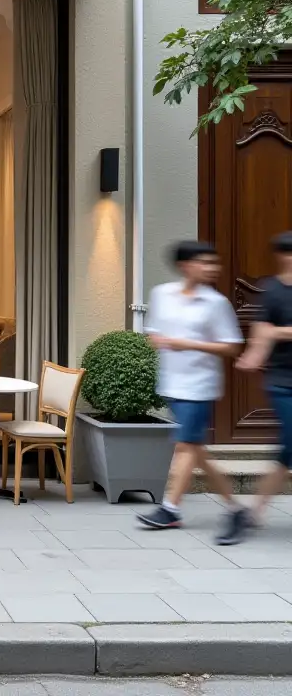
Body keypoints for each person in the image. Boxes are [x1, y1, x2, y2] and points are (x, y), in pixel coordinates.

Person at [136, 241, 247, 541]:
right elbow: (153, 333)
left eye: (214, 263)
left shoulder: (216, 303)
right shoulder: (162, 295)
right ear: (185, 265)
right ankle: (236, 508)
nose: (212, 268)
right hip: (171, 383)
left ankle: (170, 509)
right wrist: (159, 340)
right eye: (204, 262)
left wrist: (189, 344)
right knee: (196, 451)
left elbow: (231, 346)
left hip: (200, 386)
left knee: (186, 446)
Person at [233, 231, 292, 542]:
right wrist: (252, 355)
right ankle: (253, 511)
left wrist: (277, 333)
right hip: (282, 382)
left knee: (286, 451)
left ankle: (254, 511)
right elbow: (259, 334)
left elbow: (271, 332)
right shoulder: (271, 291)